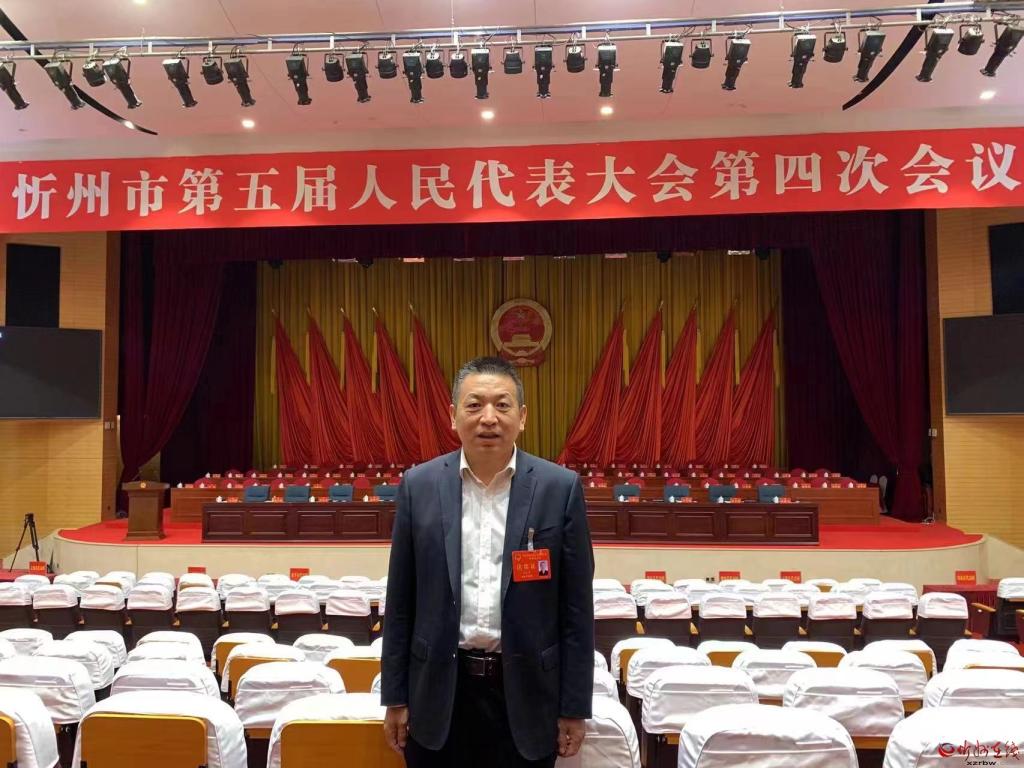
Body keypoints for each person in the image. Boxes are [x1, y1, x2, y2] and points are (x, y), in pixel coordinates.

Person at [382, 356, 595, 767]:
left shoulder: (559, 488)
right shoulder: (418, 486)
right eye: (475, 404)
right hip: (438, 696)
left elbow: (576, 611)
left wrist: (574, 707)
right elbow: (400, 603)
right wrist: (395, 697)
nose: (489, 418)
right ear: (453, 415)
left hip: (528, 698)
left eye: (502, 404)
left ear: (523, 416)